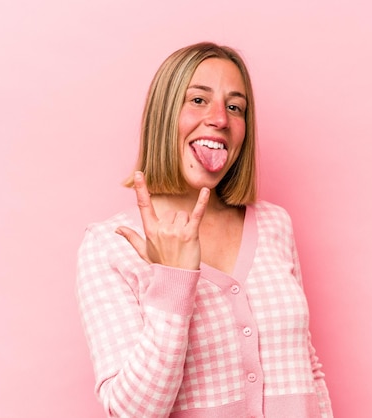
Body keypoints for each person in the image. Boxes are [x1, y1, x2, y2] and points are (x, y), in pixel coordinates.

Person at [76, 42, 333, 418]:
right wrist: (174, 280)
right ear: (163, 115)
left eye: (235, 107)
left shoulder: (275, 224)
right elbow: (132, 412)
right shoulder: (108, 246)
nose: (220, 119)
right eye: (198, 100)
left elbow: (309, 371)